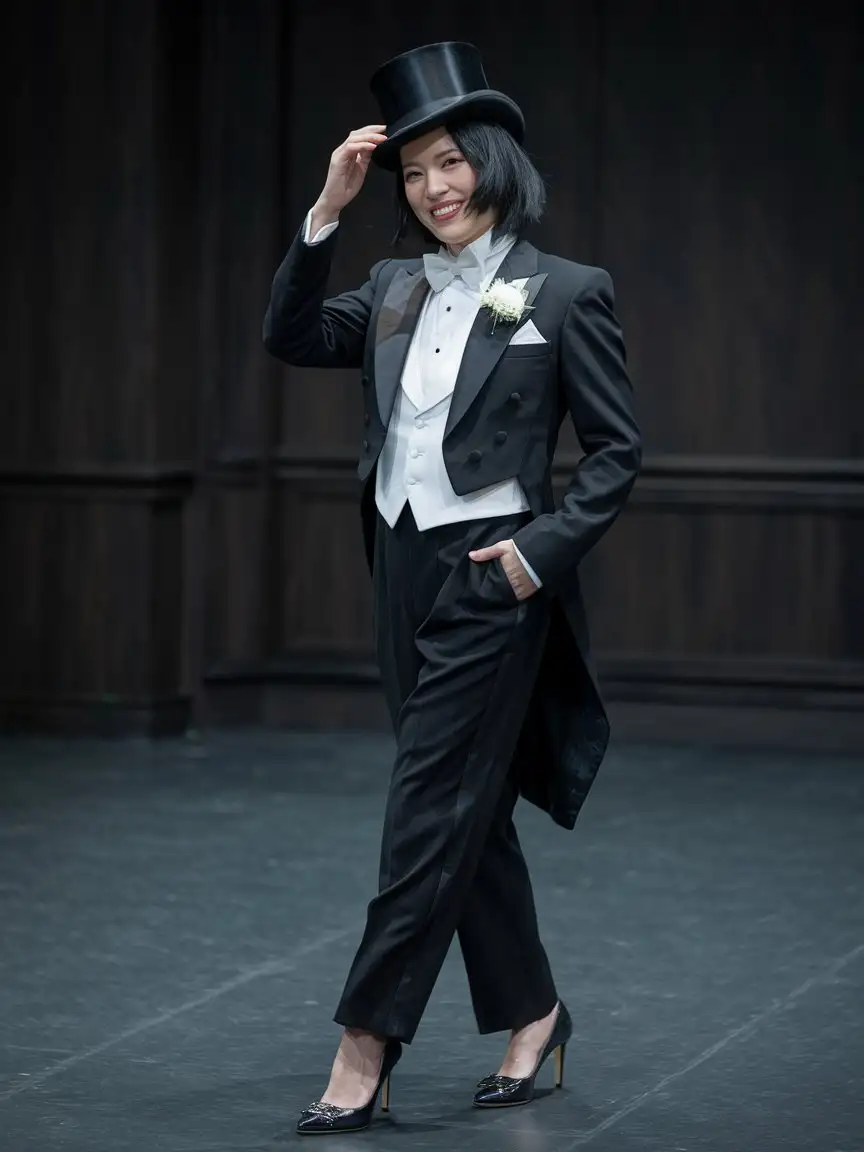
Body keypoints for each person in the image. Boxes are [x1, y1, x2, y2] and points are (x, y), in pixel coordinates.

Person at [263, 41, 642, 1135]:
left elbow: (617, 454)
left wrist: (534, 557)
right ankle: (534, 1012)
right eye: (412, 172)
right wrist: (327, 209)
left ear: (493, 159)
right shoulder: (387, 289)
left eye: (450, 163)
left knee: (425, 809)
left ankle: (366, 1043)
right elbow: (287, 334)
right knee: (462, 809)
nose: (434, 189)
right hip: (398, 561)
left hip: (493, 578)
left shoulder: (568, 293)